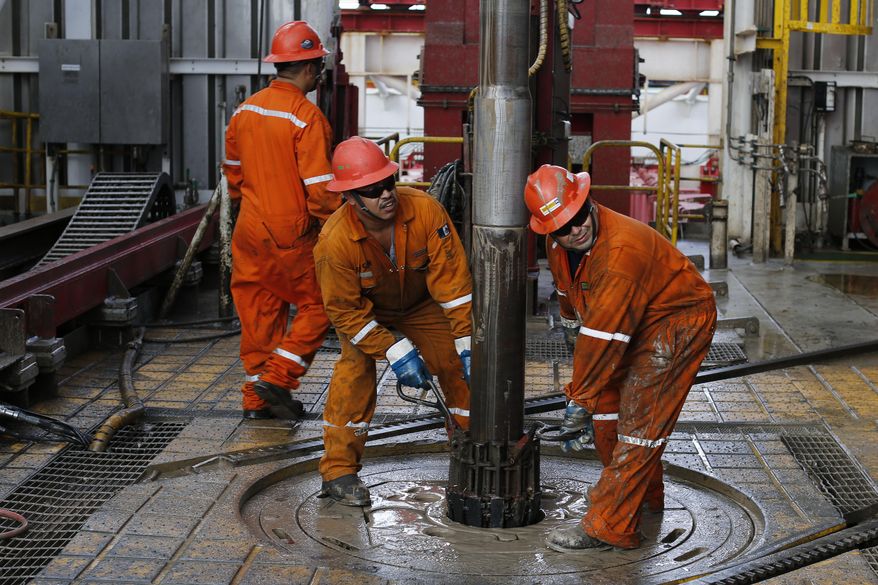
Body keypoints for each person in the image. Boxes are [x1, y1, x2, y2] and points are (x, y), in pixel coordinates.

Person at [523, 164, 717, 552]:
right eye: (563, 226)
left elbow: (604, 339)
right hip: (631, 319)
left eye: (579, 216)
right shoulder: (559, 242)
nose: (575, 229)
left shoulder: (620, 252)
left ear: (587, 201)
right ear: (549, 231)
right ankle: (644, 497)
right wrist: (569, 327)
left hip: (674, 322)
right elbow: (570, 296)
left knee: (639, 426)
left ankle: (609, 526)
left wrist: (578, 400)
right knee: (608, 413)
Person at [313, 137, 473, 506]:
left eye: (388, 182)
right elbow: (344, 312)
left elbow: (454, 285)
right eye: (372, 190)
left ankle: (468, 447)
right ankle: (338, 472)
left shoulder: (426, 210)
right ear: (350, 197)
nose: (386, 194)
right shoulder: (334, 242)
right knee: (354, 371)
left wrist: (466, 340)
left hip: (420, 304)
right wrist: (394, 350)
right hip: (365, 313)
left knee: (457, 363)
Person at [223, 21, 341, 420]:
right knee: (321, 303)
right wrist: (338, 231)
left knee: (259, 309)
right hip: (289, 232)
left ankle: (257, 401)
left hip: (249, 228)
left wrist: (248, 206)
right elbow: (322, 191)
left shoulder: (245, 110)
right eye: (319, 67)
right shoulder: (306, 117)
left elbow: (233, 174)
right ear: (309, 68)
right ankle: (278, 376)